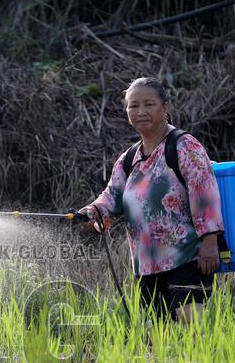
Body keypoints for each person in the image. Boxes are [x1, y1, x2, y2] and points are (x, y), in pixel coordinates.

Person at [78, 77, 224, 322]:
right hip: (146, 266)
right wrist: (92, 211)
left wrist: (210, 242)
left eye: (149, 104)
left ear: (165, 107)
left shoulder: (183, 145)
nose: (141, 111)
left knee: (192, 331)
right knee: (159, 337)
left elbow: (205, 193)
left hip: (187, 257)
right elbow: (111, 196)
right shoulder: (129, 158)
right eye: (133, 106)